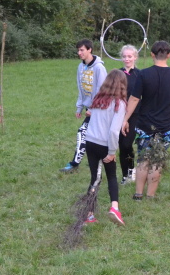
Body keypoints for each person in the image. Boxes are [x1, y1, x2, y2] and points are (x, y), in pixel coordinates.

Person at [122, 41, 170, 199]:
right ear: (169, 55)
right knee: (157, 160)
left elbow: (134, 99)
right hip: (166, 126)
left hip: (145, 125)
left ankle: (138, 194)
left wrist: (125, 119)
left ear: (152, 55)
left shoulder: (143, 74)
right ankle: (150, 195)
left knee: (143, 159)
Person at [83, 69, 128, 226]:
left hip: (90, 142)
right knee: (111, 176)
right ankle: (114, 208)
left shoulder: (98, 99)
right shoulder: (119, 104)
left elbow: (90, 116)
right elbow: (114, 131)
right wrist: (111, 152)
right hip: (104, 145)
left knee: (95, 178)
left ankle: (89, 215)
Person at [60, 39, 107, 173]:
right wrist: (79, 107)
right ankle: (99, 160)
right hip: (89, 108)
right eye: (78, 50)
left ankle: (75, 164)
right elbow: (81, 89)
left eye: (82, 50)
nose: (79, 53)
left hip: (100, 108)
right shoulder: (81, 67)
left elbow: (102, 91)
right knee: (93, 136)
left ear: (89, 49)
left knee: (83, 132)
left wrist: (93, 109)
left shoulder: (99, 68)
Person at [118, 44, 141, 184]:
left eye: (129, 56)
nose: (127, 59)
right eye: (124, 56)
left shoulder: (139, 74)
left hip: (135, 115)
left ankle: (131, 169)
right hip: (119, 114)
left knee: (127, 144)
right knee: (121, 145)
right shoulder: (117, 74)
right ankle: (124, 174)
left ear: (135, 57)